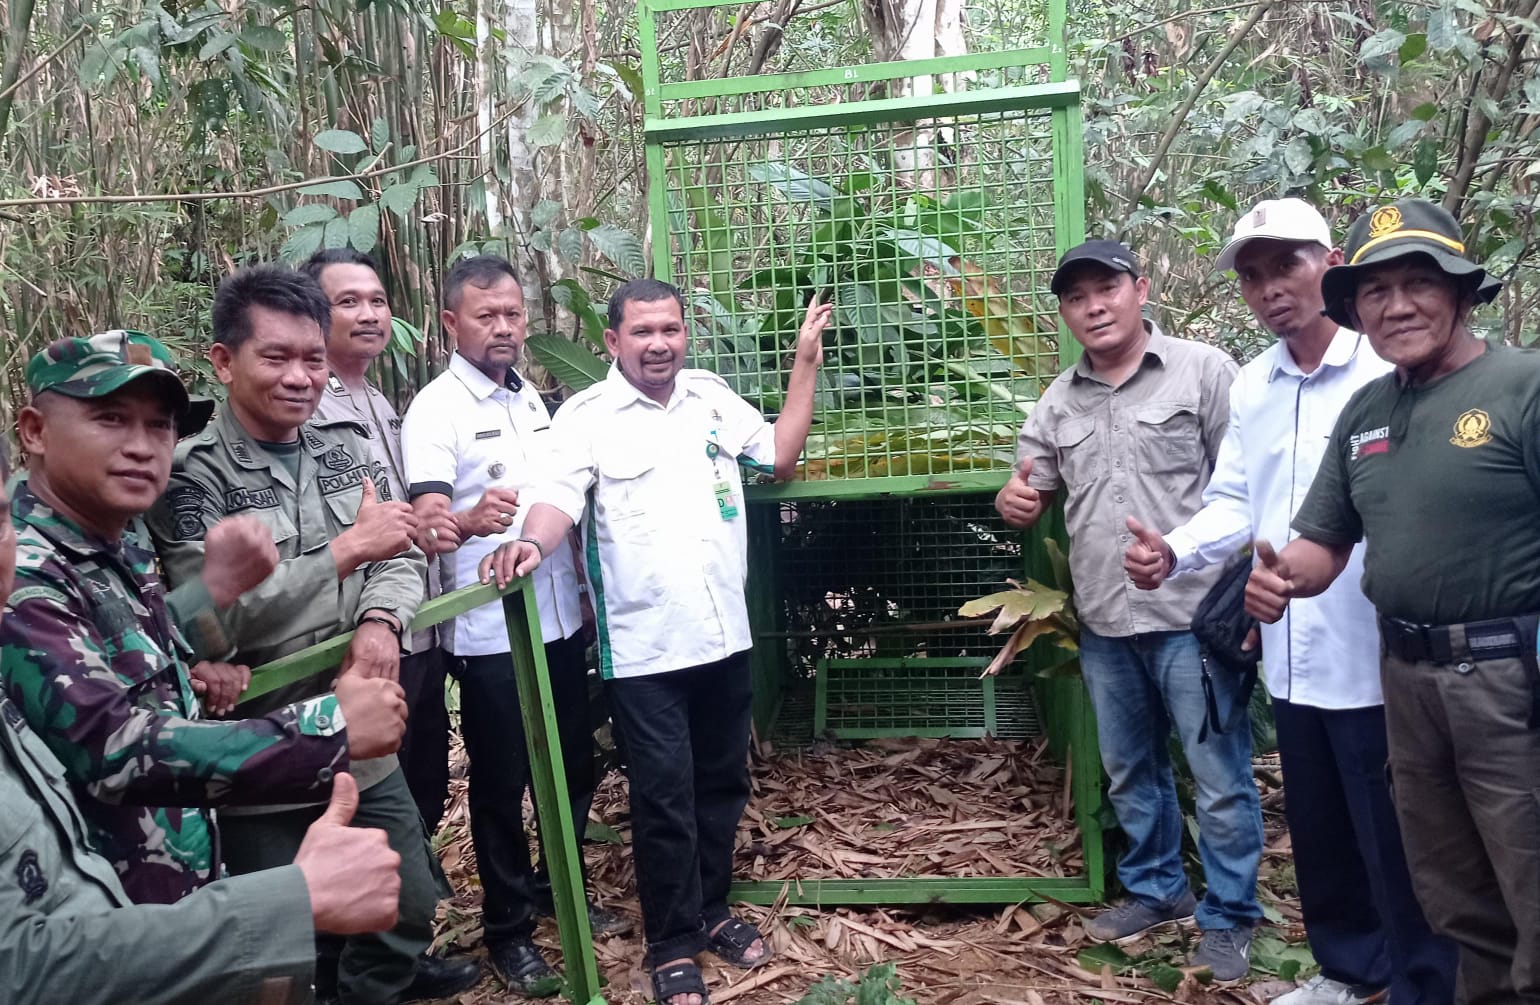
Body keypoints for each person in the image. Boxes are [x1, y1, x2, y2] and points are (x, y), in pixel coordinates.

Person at [1122, 200, 1456, 1005]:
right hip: (1287, 642)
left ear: (1330, 263)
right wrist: (1176, 548)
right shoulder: (1255, 384)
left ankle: (1426, 982)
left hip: (1378, 648)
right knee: (1321, 826)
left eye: (1288, 265)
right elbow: (1239, 495)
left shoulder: (1386, 370)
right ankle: (1348, 969)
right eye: (1253, 274)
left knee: (1401, 836)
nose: (1271, 287)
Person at [479, 278, 832, 1005]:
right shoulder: (585, 418)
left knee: (720, 786)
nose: (659, 343)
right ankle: (672, 943)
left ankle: (713, 911)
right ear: (612, 341)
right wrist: (528, 547)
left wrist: (805, 361)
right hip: (645, 654)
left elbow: (779, 455)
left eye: (669, 328)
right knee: (664, 797)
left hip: (724, 637)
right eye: (642, 331)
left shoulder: (709, 397)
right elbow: (554, 500)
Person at [145, 266, 479, 1005]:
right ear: (224, 361)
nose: (300, 377)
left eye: (312, 358)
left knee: (408, 900)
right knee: (276, 951)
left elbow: (396, 550)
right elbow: (209, 621)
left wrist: (379, 618)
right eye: (276, 358)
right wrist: (341, 554)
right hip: (258, 742)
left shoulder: (343, 443)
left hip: (361, 734)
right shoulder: (190, 476)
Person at [1245, 197, 1540, 1004]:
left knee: (1530, 879)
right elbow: (1323, 542)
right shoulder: (1367, 413)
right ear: (1356, 307)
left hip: (1509, 680)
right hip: (1405, 683)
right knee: (1451, 892)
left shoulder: (1522, 387)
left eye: (1419, 282)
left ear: (1460, 292)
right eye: (1375, 290)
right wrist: (1280, 579)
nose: (1397, 305)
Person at [0, 329, 409, 909]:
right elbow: (111, 749)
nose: (143, 446)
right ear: (35, 430)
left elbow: (126, 647)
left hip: (162, 887)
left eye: (160, 426)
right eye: (111, 419)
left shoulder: (117, 538)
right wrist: (327, 729)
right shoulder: (20, 565)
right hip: (89, 917)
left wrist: (194, 643)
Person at [994, 240, 1263, 980]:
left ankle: (1233, 913)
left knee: (1218, 772)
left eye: (1106, 288)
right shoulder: (1059, 400)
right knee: (1130, 771)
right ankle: (1159, 890)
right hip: (1108, 622)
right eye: (1077, 297)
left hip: (1192, 617)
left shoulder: (1204, 371)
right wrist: (1012, 501)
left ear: (1140, 289)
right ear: (1066, 312)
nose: (1094, 306)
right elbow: (1028, 488)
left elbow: (1244, 488)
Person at [400, 254, 626, 994]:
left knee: (574, 763)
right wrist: (464, 522)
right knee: (502, 783)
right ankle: (507, 930)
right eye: (486, 315)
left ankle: (552, 887)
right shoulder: (437, 409)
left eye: (513, 314)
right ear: (451, 323)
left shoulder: (532, 400)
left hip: (558, 621)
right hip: (493, 637)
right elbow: (429, 520)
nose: (503, 328)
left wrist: (584, 590)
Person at [303, 248, 451, 832]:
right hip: (366, 636)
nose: (369, 314)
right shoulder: (309, 406)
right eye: (348, 302)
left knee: (425, 788)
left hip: (417, 627)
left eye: (378, 301)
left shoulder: (381, 401)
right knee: (377, 806)